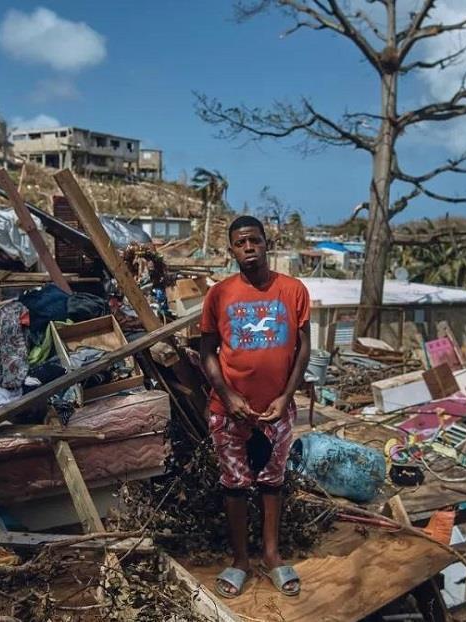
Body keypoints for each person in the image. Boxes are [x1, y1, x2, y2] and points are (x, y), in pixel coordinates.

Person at [200, 215, 311, 598]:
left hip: (276, 411)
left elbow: (304, 348)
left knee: (272, 483)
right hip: (229, 411)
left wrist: (286, 396)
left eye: (254, 241)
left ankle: (271, 555)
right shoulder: (219, 294)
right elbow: (207, 353)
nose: (248, 248)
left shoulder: (293, 290)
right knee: (234, 485)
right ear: (231, 249)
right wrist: (228, 396)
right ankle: (240, 560)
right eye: (240, 243)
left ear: (266, 243)